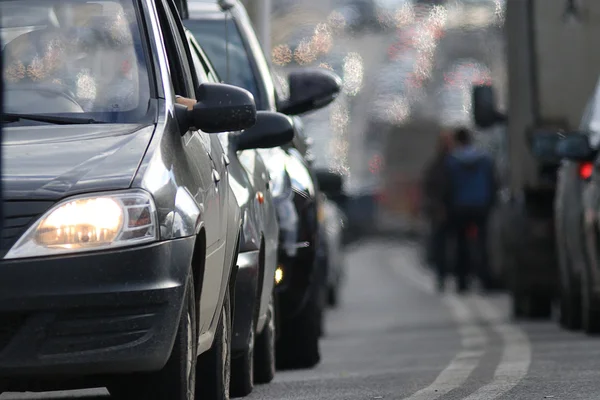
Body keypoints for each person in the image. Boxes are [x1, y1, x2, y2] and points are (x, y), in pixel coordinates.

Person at [443, 127, 498, 293]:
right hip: (480, 206)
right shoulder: (485, 159)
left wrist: (447, 205)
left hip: (459, 207)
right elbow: (493, 181)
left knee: (461, 245)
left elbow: (447, 186)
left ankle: (462, 282)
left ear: (457, 141)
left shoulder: (451, 161)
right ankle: (485, 279)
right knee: (483, 244)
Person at [422, 130, 454, 291]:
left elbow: (429, 188)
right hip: (447, 211)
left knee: (444, 246)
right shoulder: (452, 163)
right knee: (444, 246)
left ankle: (446, 278)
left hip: (447, 211)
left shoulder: (439, 164)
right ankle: (449, 278)